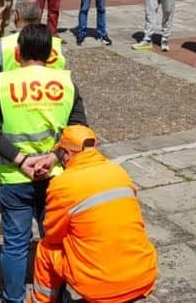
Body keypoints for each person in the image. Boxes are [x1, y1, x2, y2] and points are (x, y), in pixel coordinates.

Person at [0, 24, 87, 303]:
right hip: (55, 177)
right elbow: (80, 131)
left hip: (15, 177)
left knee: (15, 244)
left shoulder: (1, 84)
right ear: (51, 54)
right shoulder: (66, 83)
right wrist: (53, 157)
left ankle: (13, 298)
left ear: (17, 53)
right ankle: (54, 295)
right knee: (54, 241)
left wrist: (22, 161)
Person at [28, 125, 157, 303]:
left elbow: (53, 235)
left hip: (100, 288)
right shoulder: (118, 172)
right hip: (144, 276)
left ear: (65, 153)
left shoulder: (63, 184)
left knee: (46, 249)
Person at [0, 0, 67, 77]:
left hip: (12, 89)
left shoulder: (3, 45)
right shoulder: (56, 44)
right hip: (49, 88)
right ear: (40, 14)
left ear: (16, 15)